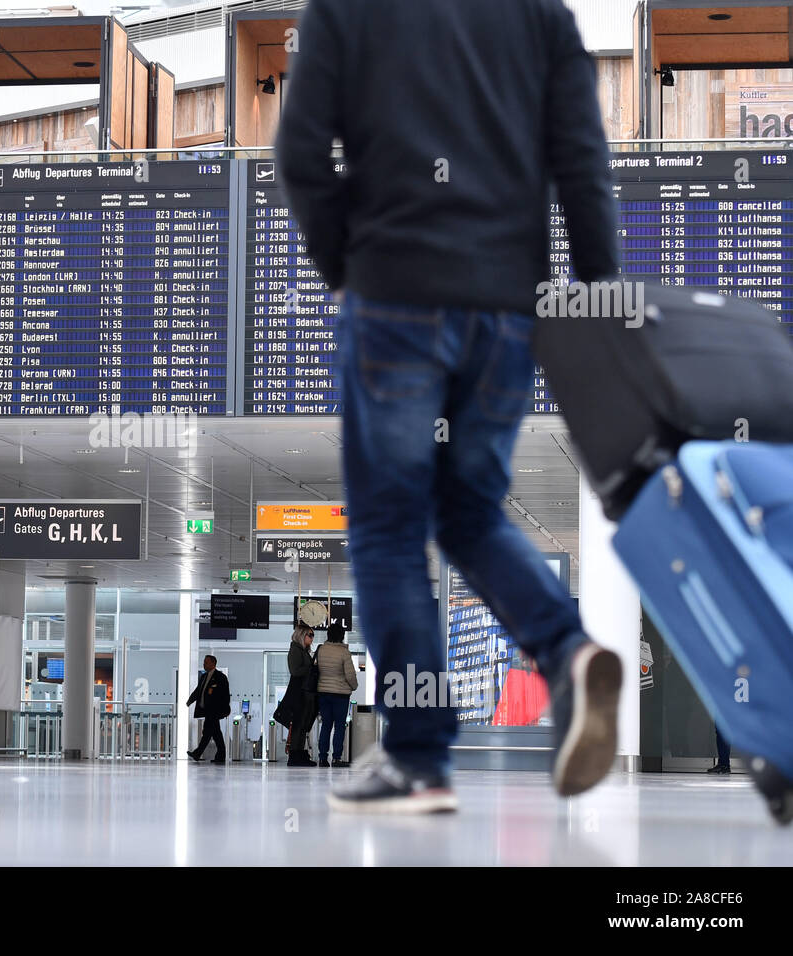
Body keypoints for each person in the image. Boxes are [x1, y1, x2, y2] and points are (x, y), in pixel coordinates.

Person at [277, 0, 624, 812]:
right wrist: (601, 305)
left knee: (391, 528)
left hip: (395, 294)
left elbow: (299, 152)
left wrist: (349, 268)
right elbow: (582, 164)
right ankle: (567, 652)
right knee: (468, 512)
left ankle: (420, 756)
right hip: (507, 309)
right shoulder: (544, 16)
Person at [315, 621, 359, 768]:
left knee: (326, 725)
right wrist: (354, 686)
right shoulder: (344, 652)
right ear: (342, 635)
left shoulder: (321, 650)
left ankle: (322, 758)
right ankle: (336, 758)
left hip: (323, 693)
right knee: (339, 726)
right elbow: (350, 674)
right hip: (340, 694)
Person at [186, 654, 230, 764]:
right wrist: (190, 700)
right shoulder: (204, 677)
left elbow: (225, 696)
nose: (204, 664)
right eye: (204, 662)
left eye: (206, 662)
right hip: (207, 711)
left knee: (207, 732)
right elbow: (198, 691)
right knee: (216, 733)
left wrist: (223, 710)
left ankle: (197, 753)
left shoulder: (221, 677)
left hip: (215, 711)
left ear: (213, 664)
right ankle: (220, 755)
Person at [286, 625, 318, 766]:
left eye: (312, 635)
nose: (311, 638)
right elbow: (294, 670)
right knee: (299, 725)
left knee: (303, 725)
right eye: (309, 635)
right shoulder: (295, 650)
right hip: (299, 693)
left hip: (306, 692)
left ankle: (299, 754)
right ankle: (294, 755)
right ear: (301, 635)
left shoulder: (304, 651)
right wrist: (311, 667)